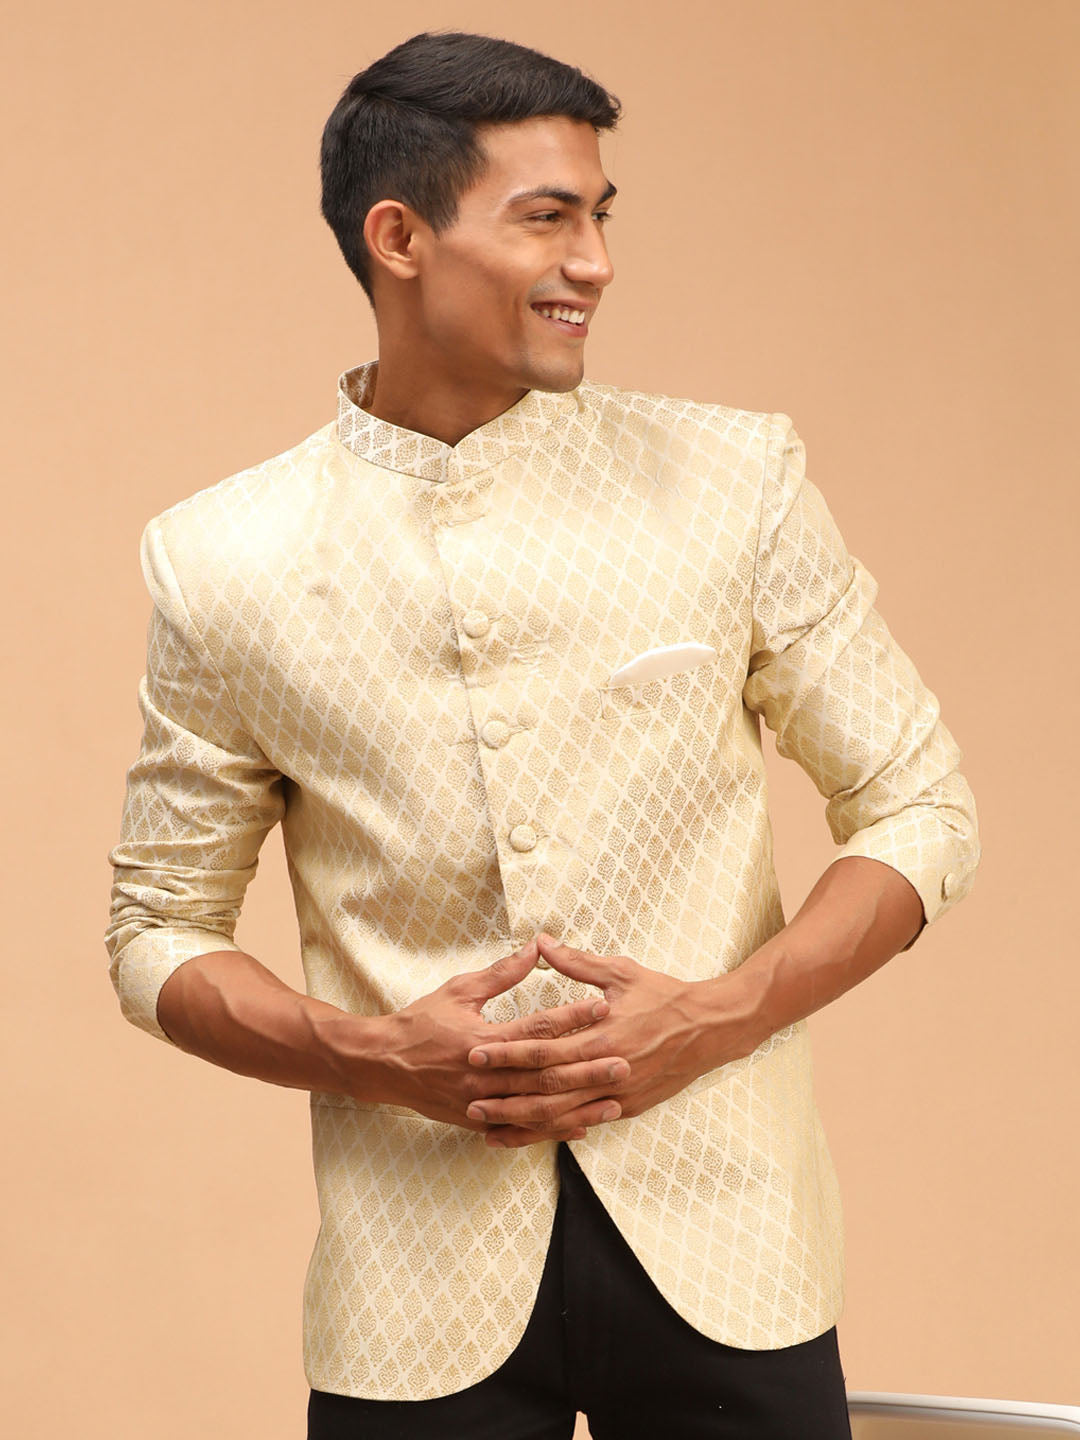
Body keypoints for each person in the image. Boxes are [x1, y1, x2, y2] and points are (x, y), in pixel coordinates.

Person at [105, 29, 980, 1440]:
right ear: (400, 238)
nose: (597, 262)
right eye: (547, 218)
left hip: (734, 1253)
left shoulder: (732, 479)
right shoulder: (221, 559)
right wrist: (370, 1054)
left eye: (602, 215)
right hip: (410, 1301)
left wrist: (714, 1019)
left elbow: (923, 810)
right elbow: (155, 930)